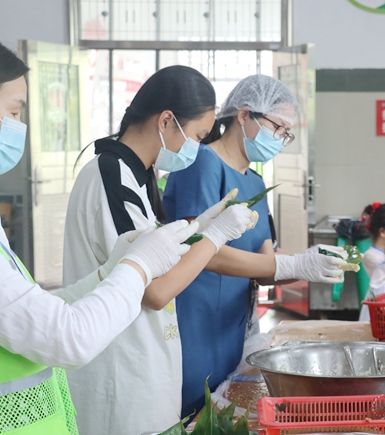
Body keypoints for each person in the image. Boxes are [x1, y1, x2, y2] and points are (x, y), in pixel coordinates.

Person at [0, 43, 199, 435]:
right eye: (14, 112)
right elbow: (68, 337)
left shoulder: (140, 176)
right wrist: (138, 265)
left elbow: (29, 309)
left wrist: (109, 273)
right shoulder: (110, 173)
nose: (19, 127)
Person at [61, 65, 257, 435]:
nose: (195, 149)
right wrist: (216, 236)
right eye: (196, 137)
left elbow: (154, 253)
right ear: (166, 120)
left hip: (144, 365)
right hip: (119, 374)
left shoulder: (138, 174)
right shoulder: (111, 176)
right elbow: (154, 289)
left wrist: (200, 227)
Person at [163, 74, 348, 416]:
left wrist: (312, 263)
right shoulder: (202, 164)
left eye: (286, 133)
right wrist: (292, 264)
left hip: (232, 327)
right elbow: (201, 251)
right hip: (193, 323)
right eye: (277, 127)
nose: (280, 139)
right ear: (244, 114)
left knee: (220, 413)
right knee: (188, 413)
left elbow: (263, 267)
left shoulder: (256, 183)